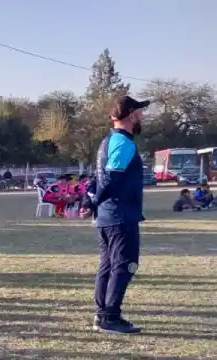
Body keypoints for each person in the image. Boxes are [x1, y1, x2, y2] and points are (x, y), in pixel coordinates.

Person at [92, 95, 149, 335]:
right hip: (119, 214)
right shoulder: (124, 143)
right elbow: (110, 178)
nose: (143, 116)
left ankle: (102, 314)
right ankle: (110, 317)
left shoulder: (108, 141)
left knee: (108, 266)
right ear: (132, 115)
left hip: (108, 215)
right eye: (140, 111)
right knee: (125, 265)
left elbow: (102, 179)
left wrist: (94, 202)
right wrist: (96, 199)